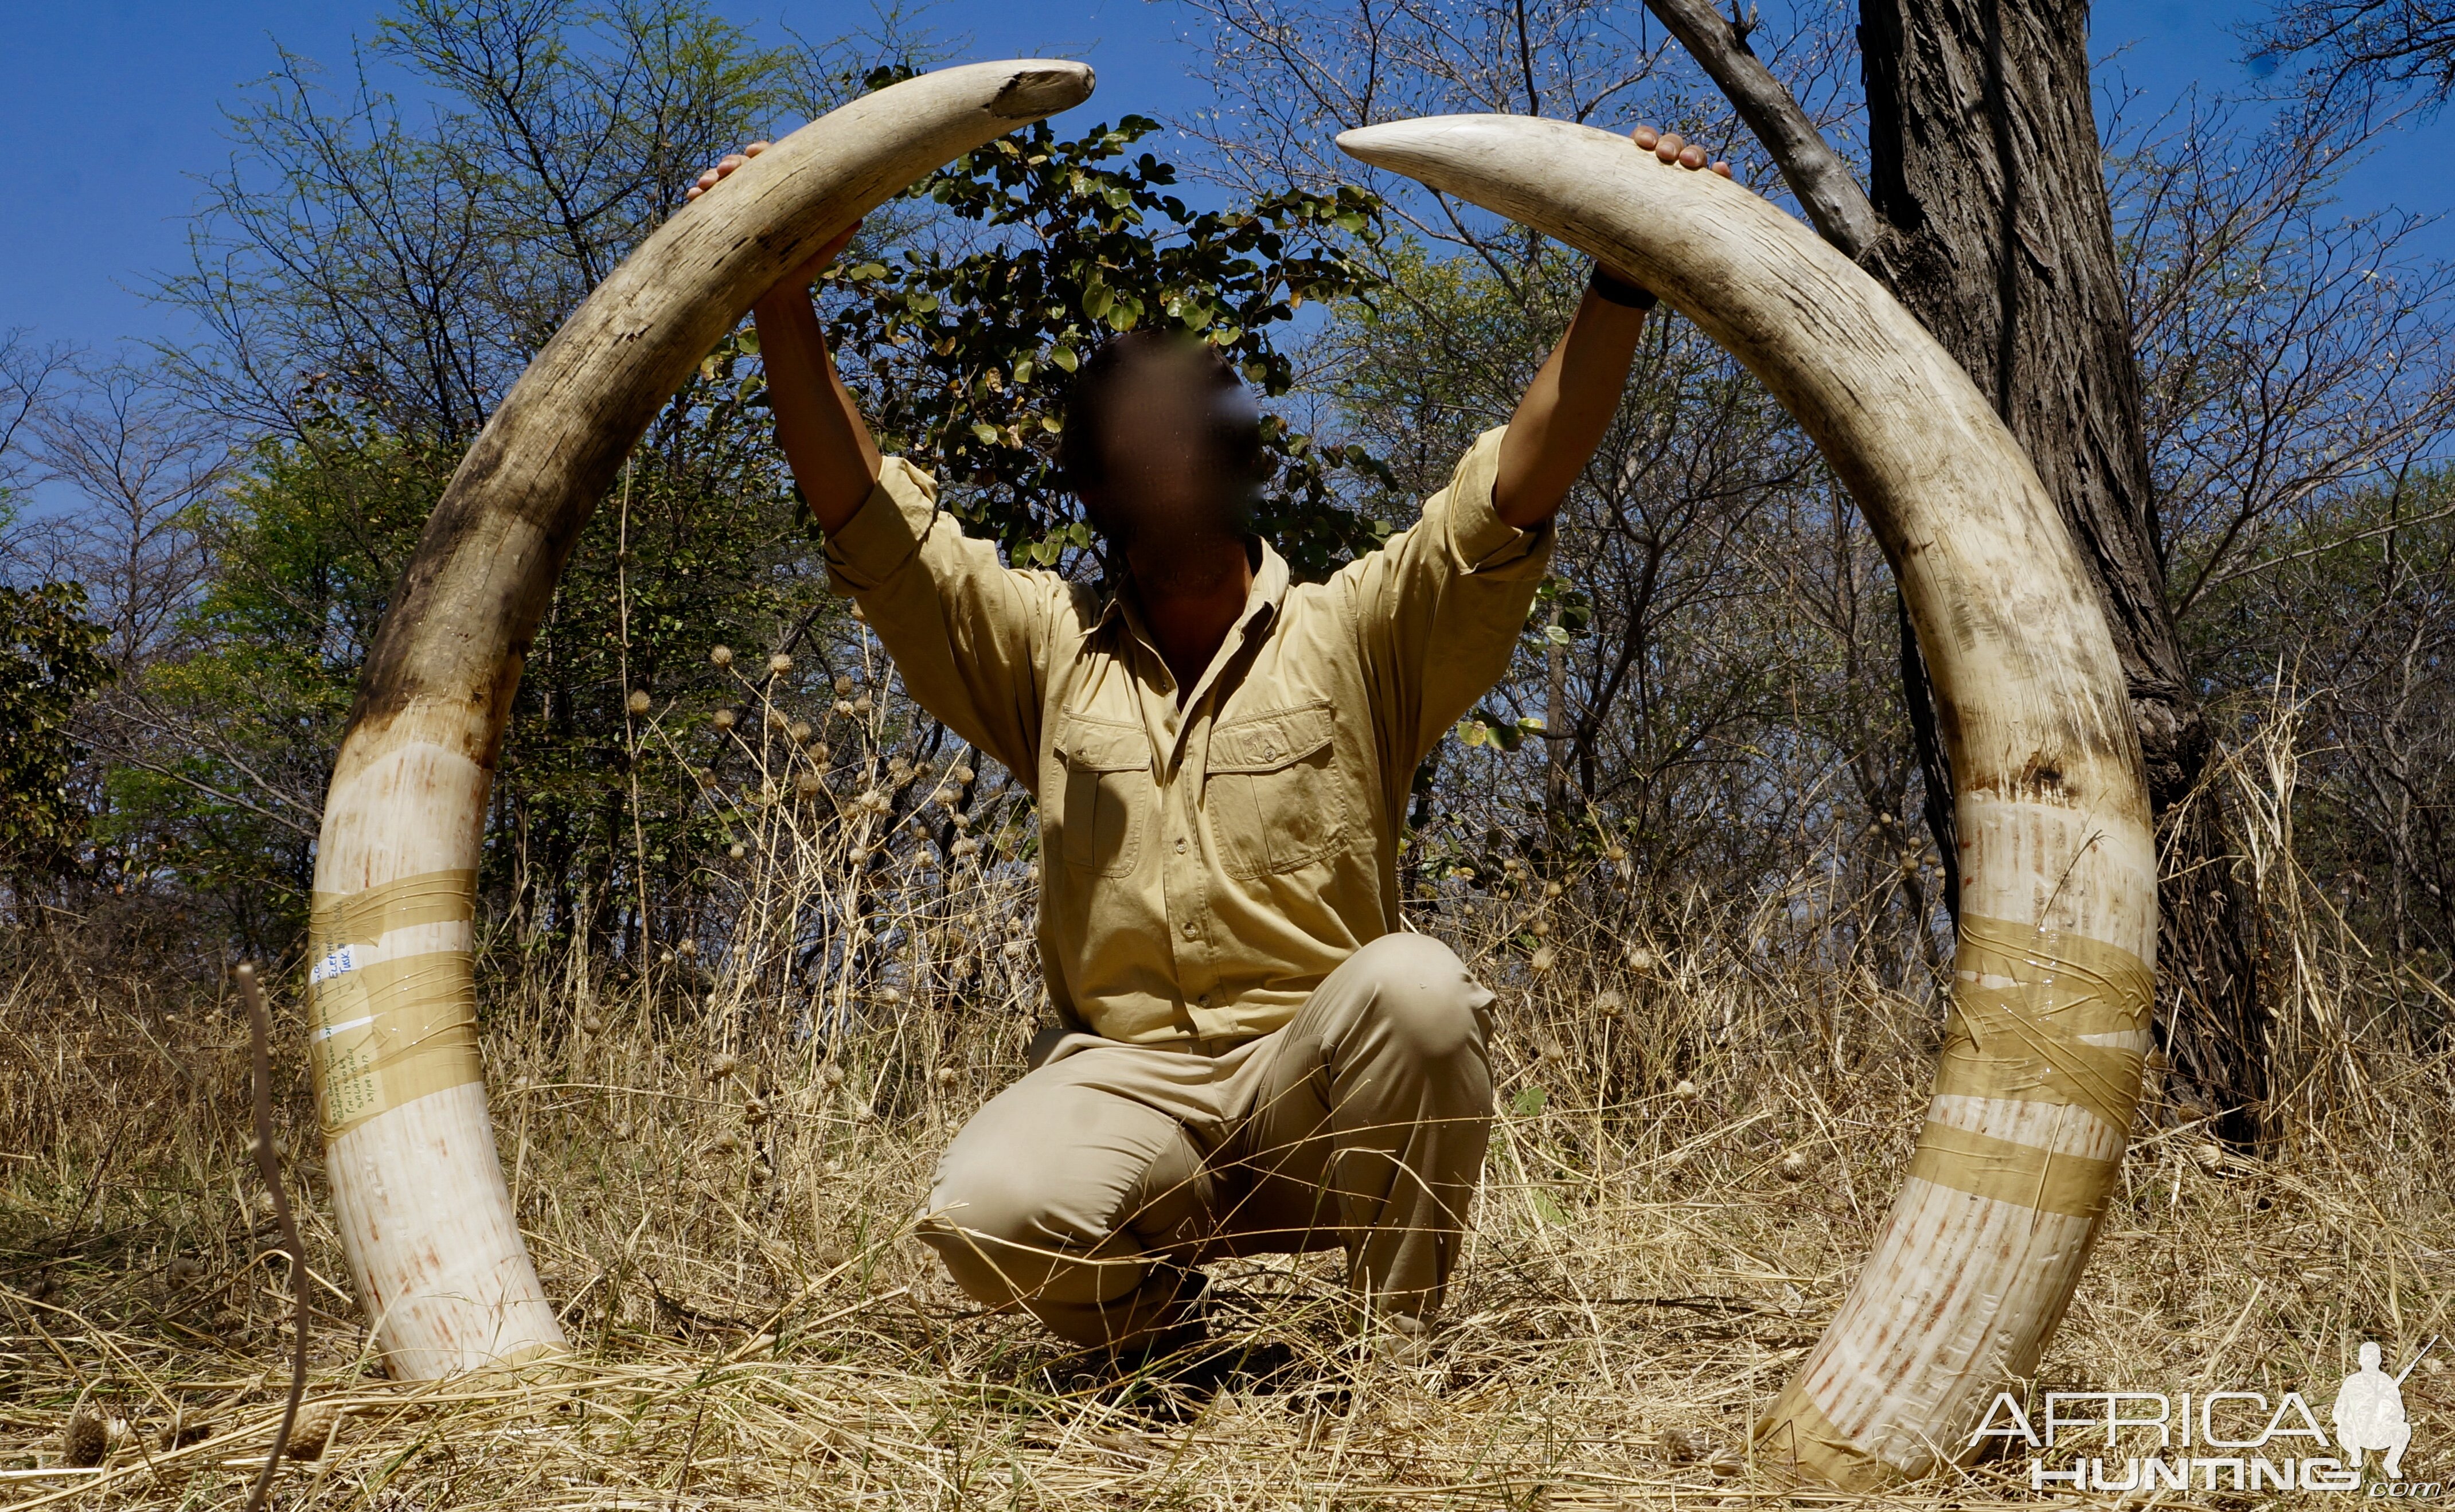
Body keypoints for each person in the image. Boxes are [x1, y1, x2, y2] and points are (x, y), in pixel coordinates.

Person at [690, 124, 1728, 1363]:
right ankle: (1168, 1343)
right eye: (1133, 442)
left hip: (1319, 1099)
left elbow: (1515, 484)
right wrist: (777, 289)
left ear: (1245, 463)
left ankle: (1383, 1364)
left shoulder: (1360, 630)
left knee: (1416, 988)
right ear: (1094, 485)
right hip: (1125, 1091)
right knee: (986, 1212)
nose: (1165, 457)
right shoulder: (1041, 647)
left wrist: (1622, 269)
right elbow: (870, 520)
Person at [2332, 1342, 2412, 1478]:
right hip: (2356, 1432)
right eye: (2367, 1357)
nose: (2370, 1361)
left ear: (2380, 1360)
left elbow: (2399, 1412)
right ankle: (2355, 1456)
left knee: (2404, 1428)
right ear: (2360, 1360)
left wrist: (2385, 1414)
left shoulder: (2386, 1381)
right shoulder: (2352, 1382)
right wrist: (2356, 1417)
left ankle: (2391, 1463)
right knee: (2344, 1427)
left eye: (2374, 1358)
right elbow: (2338, 1411)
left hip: (2379, 1432)